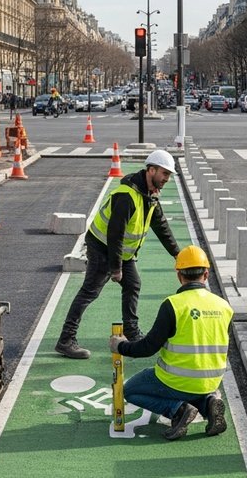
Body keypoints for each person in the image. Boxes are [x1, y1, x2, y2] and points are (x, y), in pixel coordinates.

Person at [56, 150, 182, 359]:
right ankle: (66, 340)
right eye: (164, 173)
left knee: (133, 284)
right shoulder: (127, 195)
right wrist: (116, 269)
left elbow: (161, 226)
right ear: (151, 170)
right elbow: (116, 234)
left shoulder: (150, 195)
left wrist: (177, 254)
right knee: (90, 291)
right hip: (102, 246)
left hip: (121, 251)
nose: (166, 179)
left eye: (168, 175)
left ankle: (131, 332)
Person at [109, 246, 231, 441]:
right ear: (206, 274)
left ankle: (178, 410)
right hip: (211, 381)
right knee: (194, 389)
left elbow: (148, 347)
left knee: (130, 390)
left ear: (179, 275)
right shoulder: (224, 306)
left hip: (174, 381)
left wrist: (121, 346)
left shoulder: (173, 305)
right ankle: (208, 403)